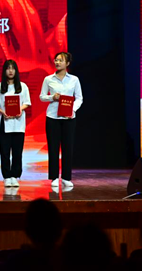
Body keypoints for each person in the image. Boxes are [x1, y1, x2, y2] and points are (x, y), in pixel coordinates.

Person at [39, 52, 83, 188]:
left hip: (69, 118)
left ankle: (66, 177)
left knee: (67, 148)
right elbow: (42, 96)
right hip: (52, 117)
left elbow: (79, 98)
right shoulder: (48, 79)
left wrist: (72, 110)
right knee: (53, 148)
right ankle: (53, 177)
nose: (57, 62)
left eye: (61, 60)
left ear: (67, 63)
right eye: (56, 60)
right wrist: (52, 97)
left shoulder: (74, 79)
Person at [0, 60, 31, 188]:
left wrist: (20, 109)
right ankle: (7, 176)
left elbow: (27, 102)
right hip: (4, 123)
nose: (11, 71)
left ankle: (15, 176)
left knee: (17, 152)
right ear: (4, 71)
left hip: (18, 124)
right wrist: (3, 112)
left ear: (16, 71)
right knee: (5, 152)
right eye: (8, 68)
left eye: (13, 68)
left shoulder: (23, 86)